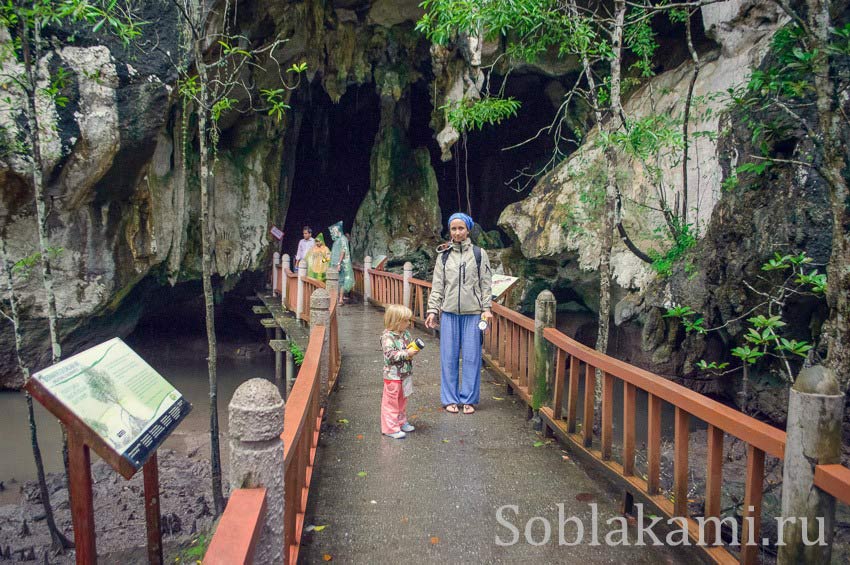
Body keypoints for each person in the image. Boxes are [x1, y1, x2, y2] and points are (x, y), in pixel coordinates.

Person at [425, 212, 493, 414]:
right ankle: (450, 399)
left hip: (473, 313)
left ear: (468, 229)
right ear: (450, 231)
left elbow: (486, 285)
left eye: (461, 228)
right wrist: (432, 310)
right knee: (448, 357)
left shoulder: (480, 254)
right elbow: (438, 286)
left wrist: (487, 309)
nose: (457, 232)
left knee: (472, 357)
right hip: (449, 313)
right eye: (453, 228)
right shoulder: (443, 256)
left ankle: (469, 400)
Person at [380, 304, 419, 439]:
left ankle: (401, 422)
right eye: (406, 321)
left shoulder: (405, 333)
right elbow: (390, 355)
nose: (408, 323)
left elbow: (408, 347)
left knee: (402, 400)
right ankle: (390, 428)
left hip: (405, 373)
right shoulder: (387, 337)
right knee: (391, 402)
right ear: (397, 322)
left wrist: (413, 348)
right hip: (393, 375)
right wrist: (406, 353)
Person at [329, 221, 354, 305]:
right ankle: (335, 298)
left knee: (341, 281)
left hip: (340, 264)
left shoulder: (343, 239)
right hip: (334, 263)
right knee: (335, 281)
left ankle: (340, 299)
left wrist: (339, 263)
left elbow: (343, 251)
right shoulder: (336, 240)